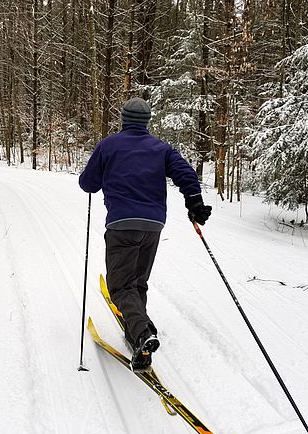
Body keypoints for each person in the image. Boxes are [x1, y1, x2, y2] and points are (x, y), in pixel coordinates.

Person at [78, 97, 212, 371]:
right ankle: (138, 336)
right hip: (152, 225)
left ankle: (141, 333)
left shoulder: (108, 145)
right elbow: (185, 173)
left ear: (123, 119)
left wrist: (103, 175)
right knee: (138, 282)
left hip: (121, 224)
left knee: (120, 286)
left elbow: (87, 183)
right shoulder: (161, 148)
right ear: (147, 122)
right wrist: (195, 203)